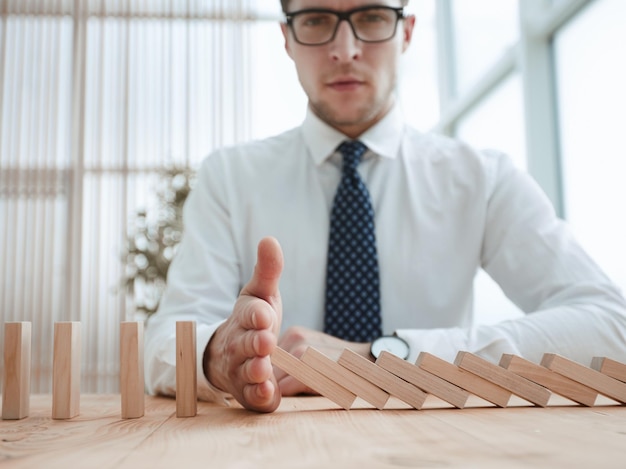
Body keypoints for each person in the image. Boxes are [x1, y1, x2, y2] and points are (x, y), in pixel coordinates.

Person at [144, 0, 626, 413]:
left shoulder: (482, 178)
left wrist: (385, 357)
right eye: (315, 20)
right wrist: (219, 353)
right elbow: (167, 336)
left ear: (407, 32)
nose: (345, 49)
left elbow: (611, 328)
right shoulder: (230, 177)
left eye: (372, 17)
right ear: (287, 39)